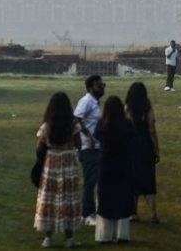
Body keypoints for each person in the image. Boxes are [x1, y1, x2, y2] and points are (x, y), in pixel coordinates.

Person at [34, 92, 83, 248]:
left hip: (52, 162)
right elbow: (79, 145)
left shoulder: (46, 126)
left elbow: (39, 145)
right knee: (68, 197)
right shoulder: (73, 125)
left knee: (50, 197)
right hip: (68, 163)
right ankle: (69, 238)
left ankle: (48, 238)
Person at [93, 96, 136, 243]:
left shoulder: (102, 124)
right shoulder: (127, 124)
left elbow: (96, 136)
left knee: (105, 199)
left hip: (106, 164)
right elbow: (133, 136)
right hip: (123, 165)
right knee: (123, 198)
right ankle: (122, 234)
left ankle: (105, 234)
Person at [125, 81, 160, 223]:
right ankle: (153, 213)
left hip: (132, 144)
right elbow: (151, 129)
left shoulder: (127, 106)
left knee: (133, 178)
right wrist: (156, 150)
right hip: (145, 143)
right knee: (149, 179)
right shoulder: (147, 107)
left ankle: (133, 213)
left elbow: (125, 125)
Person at [74, 74, 105, 226]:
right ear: (90, 88)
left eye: (103, 85)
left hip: (97, 147)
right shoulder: (86, 101)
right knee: (90, 181)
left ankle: (94, 211)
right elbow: (76, 119)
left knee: (97, 180)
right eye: (99, 85)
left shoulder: (94, 102)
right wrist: (90, 137)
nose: (102, 87)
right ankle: (87, 214)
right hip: (89, 147)